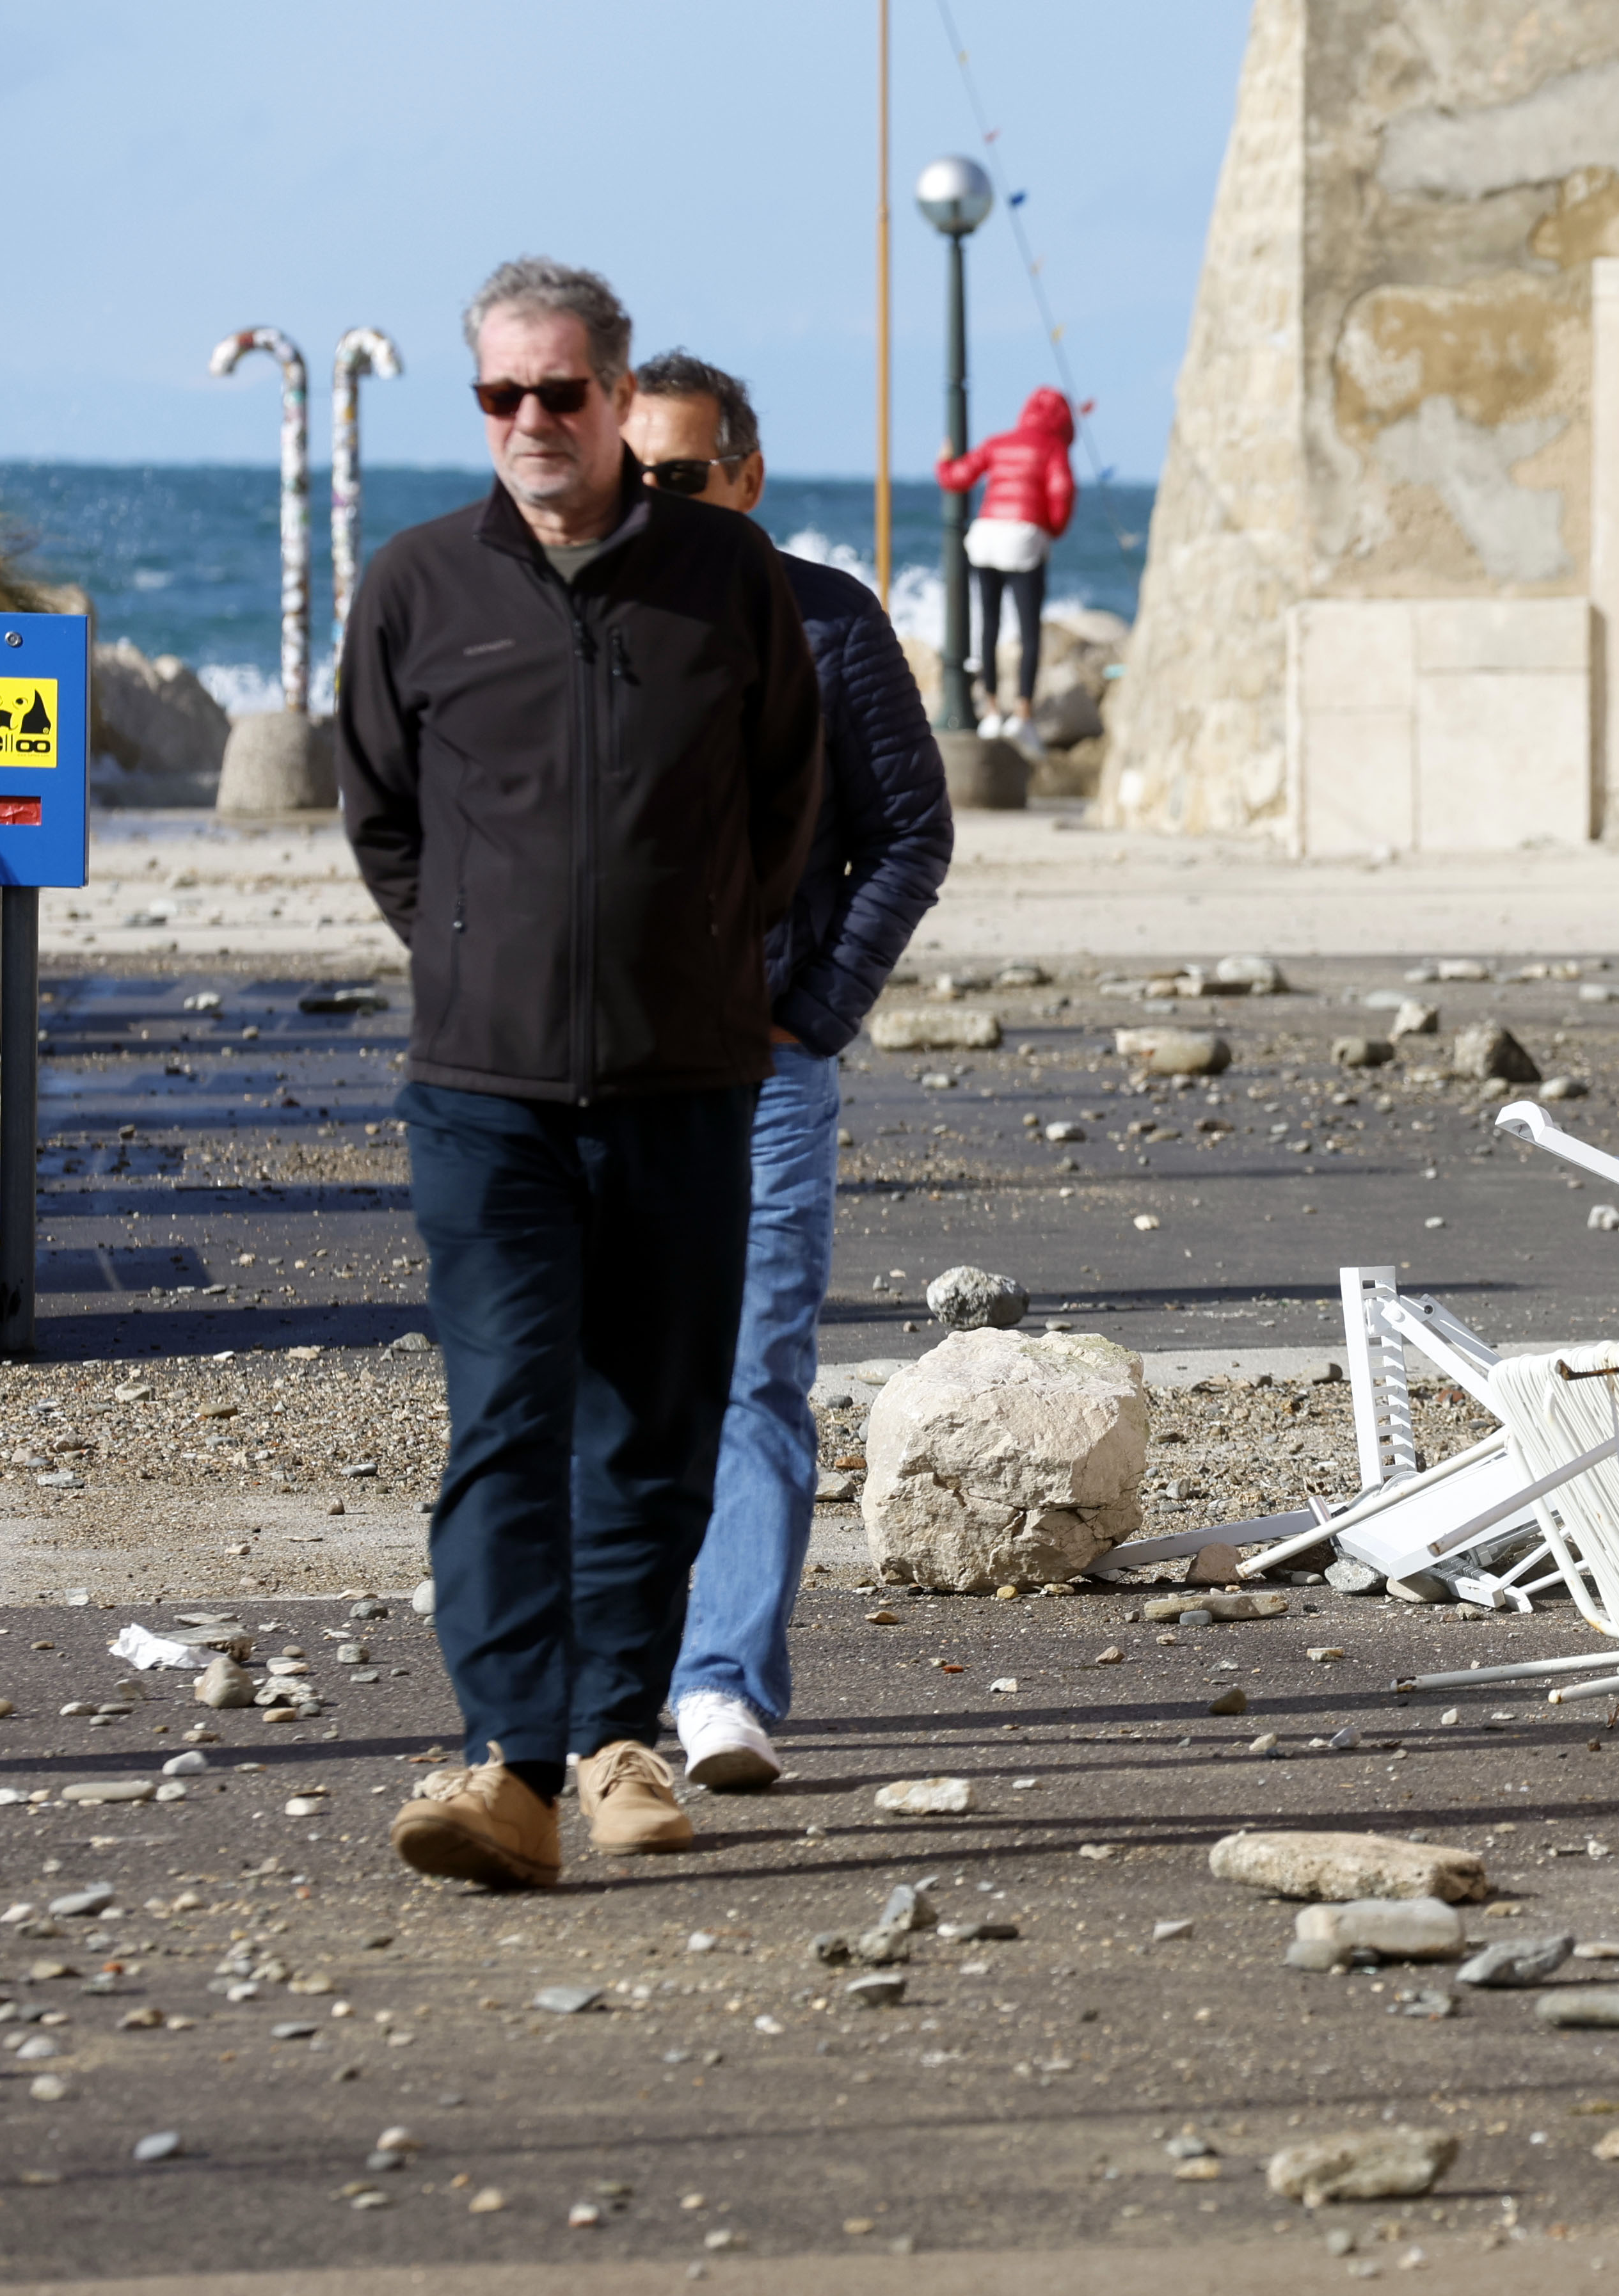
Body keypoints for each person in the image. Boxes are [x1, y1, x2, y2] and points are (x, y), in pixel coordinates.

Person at [339, 257, 824, 1890]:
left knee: (656, 1423)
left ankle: (622, 1740)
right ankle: (508, 1765)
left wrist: (703, 957)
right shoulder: (415, 585)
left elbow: (785, 804)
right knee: (506, 1418)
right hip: (484, 1093)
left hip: (686, 1084)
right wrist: (481, 952)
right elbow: (384, 820)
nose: (532, 421)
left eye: (561, 392)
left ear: (618, 398)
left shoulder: (727, 578)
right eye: (501, 395)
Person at [625, 353, 953, 1792]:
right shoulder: (579, 621)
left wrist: (812, 1010)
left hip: (762, 1071)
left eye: (681, 478)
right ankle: (605, 1683)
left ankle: (722, 1689)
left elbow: (910, 833)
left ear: (744, 476)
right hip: (601, 1076)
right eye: (632, 477)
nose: (654, 503)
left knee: (756, 1373)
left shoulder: (829, 624)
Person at [937, 385, 1078, 753]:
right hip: (1024, 540)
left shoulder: (999, 442)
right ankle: (1024, 715)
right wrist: (1053, 528)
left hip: (985, 538)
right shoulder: (1053, 448)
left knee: (990, 625)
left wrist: (943, 463)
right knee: (1029, 631)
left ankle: (991, 711)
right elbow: (1061, 492)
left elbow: (958, 477)